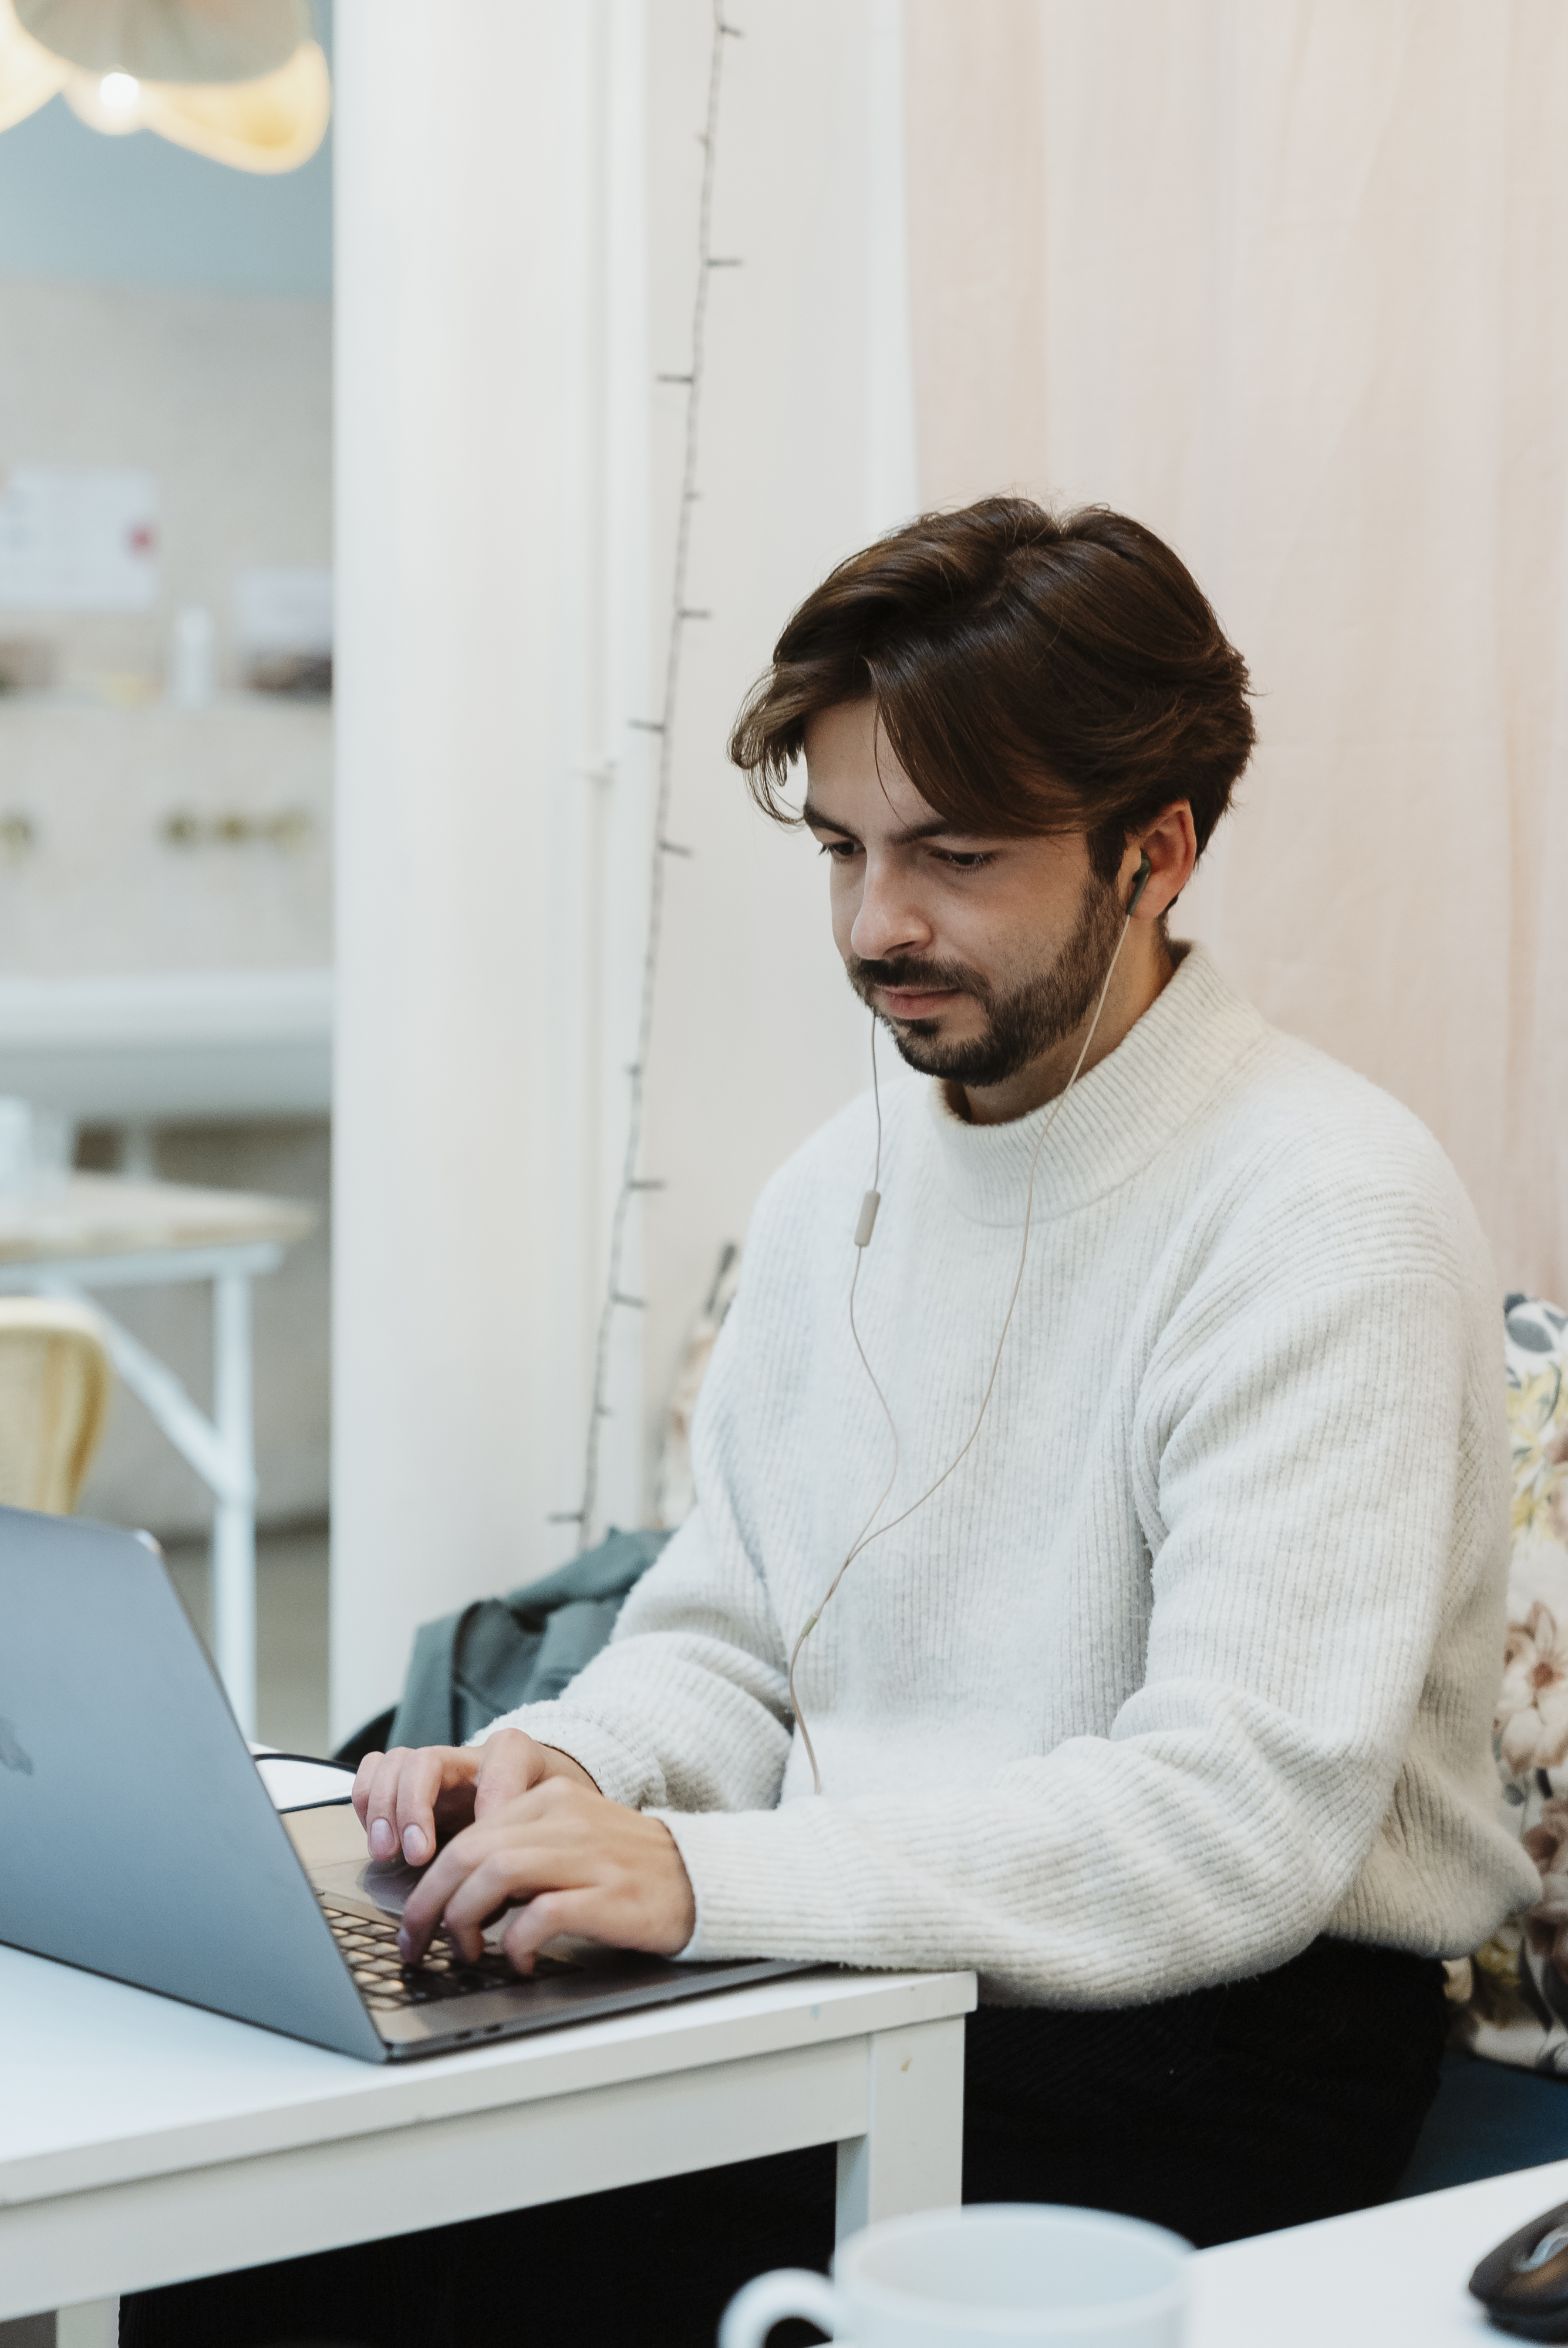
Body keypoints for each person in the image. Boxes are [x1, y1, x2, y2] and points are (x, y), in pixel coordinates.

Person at [124, 499, 1537, 2347]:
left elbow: (1232, 1828)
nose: (882, 925)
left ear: (1156, 852)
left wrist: (702, 1877)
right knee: (234, 2201)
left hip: (1200, 2042)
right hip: (848, 1967)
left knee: (350, 2262)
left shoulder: (1322, 1211)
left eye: (958, 855)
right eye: (846, 850)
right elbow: (728, 1643)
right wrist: (566, 1771)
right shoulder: (834, 1191)